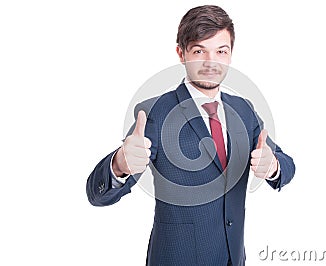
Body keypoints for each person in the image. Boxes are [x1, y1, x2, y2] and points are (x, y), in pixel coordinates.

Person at [86, 5, 295, 266]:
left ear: (231, 54)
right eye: (199, 51)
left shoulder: (244, 110)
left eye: (221, 51)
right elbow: (98, 195)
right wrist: (119, 165)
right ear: (181, 53)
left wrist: (273, 165)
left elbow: (287, 166)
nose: (211, 62)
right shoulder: (156, 113)